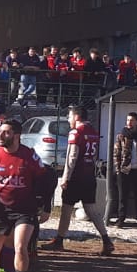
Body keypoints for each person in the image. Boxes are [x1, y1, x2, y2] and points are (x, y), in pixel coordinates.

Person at [0, 118, 54, 272]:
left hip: (25, 210)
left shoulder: (29, 156)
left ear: (16, 135)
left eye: (6, 132)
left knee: (20, 246)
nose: (1, 135)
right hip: (1, 210)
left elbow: (47, 180)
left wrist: (46, 207)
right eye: (1, 132)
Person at [45, 106, 115, 255]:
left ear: (76, 117)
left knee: (66, 208)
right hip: (89, 176)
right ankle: (106, 239)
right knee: (91, 209)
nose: (69, 119)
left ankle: (59, 240)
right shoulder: (93, 132)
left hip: (76, 177)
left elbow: (72, 157)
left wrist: (65, 178)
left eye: (69, 116)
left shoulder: (76, 132)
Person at [111, 111, 137, 228]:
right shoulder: (121, 136)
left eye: (131, 120)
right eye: (128, 120)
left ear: (136, 122)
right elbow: (116, 153)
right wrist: (118, 169)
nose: (129, 122)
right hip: (125, 171)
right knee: (122, 196)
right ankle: (121, 219)